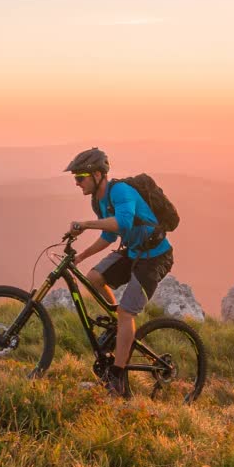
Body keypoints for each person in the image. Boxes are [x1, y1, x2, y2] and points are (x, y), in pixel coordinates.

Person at [63, 147, 174, 397]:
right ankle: (118, 328)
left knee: (126, 312)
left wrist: (85, 224)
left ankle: (117, 377)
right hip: (133, 252)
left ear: (99, 174)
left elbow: (123, 222)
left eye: (80, 177)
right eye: (75, 178)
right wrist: (81, 256)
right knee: (93, 278)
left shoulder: (121, 191)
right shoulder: (99, 201)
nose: (77, 183)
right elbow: (110, 236)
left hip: (155, 257)